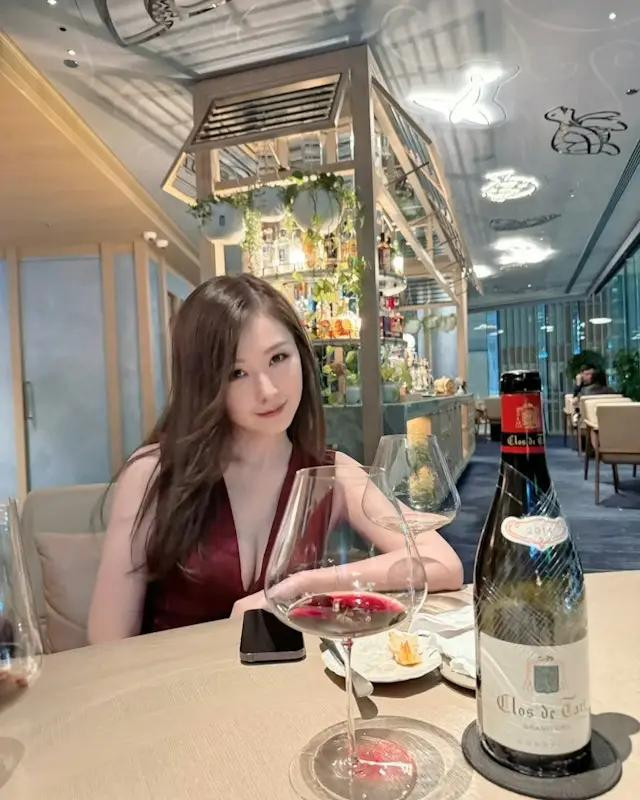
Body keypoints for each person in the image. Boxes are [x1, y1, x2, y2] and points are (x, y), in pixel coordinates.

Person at [88, 275, 463, 644]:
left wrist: (302, 585)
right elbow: (107, 642)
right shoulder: (154, 474)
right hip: (176, 679)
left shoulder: (331, 472)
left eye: (278, 358)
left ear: (301, 354)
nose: (267, 390)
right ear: (203, 382)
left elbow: (442, 562)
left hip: (282, 679)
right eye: (237, 373)